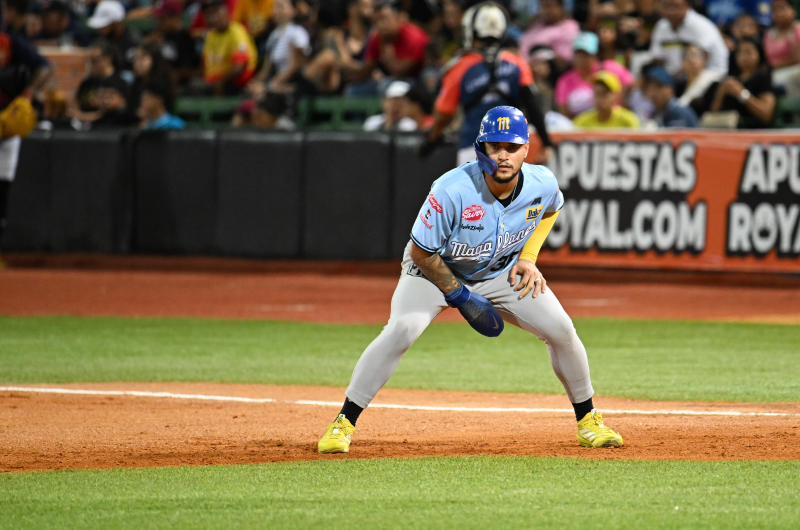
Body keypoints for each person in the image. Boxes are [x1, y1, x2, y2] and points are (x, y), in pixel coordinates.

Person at [317, 106, 624, 455]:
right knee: (402, 329)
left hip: (499, 272)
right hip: (434, 272)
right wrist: (459, 295)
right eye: (494, 146)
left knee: (562, 329)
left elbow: (551, 209)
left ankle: (588, 421)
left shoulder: (543, 182)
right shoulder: (452, 189)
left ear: (527, 148)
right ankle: (344, 421)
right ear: (481, 148)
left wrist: (528, 258)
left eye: (511, 147)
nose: (503, 155)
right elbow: (421, 253)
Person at [421, 2, 553, 166]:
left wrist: (430, 141)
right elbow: (532, 106)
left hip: (473, 146)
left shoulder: (459, 67)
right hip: (510, 149)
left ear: (470, 30)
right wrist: (546, 143)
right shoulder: (517, 64)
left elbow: (443, 115)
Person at [0, 29, 52, 267]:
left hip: (5, 128)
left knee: (1, 190)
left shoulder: (9, 43)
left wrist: (28, 94)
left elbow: (44, 66)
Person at [345, 0, 429, 83]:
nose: (381, 25)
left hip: (419, 80)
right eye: (377, 22)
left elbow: (398, 72)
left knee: (386, 84)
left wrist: (386, 47)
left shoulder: (414, 37)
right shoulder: (377, 37)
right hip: (390, 81)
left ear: (398, 18)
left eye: (384, 20)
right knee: (353, 90)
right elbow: (366, 70)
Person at [554, 32, 633, 119]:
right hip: (579, 127)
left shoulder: (610, 67)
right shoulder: (565, 80)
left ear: (595, 54)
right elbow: (563, 109)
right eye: (578, 53)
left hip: (612, 122)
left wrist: (618, 101)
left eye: (586, 54)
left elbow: (631, 83)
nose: (581, 58)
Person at [707, 37, 775, 129]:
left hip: (752, 130)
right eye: (740, 53)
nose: (743, 57)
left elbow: (766, 115)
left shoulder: (763, 78)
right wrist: (721, 92)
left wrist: (741, 93)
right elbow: (712, 114)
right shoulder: (730, 79)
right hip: (724, 129)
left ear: (759, 54)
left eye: (748, 52)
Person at [649, 0, 729, 77]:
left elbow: (698, 62)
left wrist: (674, 80)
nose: (671, 11)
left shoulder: (701, 26)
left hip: (709, 76)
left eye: (676, 6)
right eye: (667, 6)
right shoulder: (661, 26)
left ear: (687, 5)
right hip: (675, 78)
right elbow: (657, 58)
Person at [201, 0, 258, 95]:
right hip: (213, 83)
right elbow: (204, 66)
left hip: (236, 84)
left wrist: (220, 82)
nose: (212, 17)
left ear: (225, 11)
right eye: (208, 13)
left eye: (215, 11)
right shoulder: (211, 36)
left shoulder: (236, 31)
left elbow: (240, 66)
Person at [146, 0, 201, 89]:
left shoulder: (184, 38)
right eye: (158, 18)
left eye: (162, 18)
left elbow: (187, 69)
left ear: (174, 17)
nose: (159, 22)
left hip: (183, 86)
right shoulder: (159, 35)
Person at [517, 0, 579, 69]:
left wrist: (542, 57)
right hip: (521, 67)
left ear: (560, 7)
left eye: (549, 6)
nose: (544, 11)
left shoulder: (569, 27)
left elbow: (564, 62)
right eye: (542, 6)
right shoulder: (537, 25)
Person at [87, 0, 141, 73]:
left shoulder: (133, 40)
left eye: (104, 25)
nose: (100, 30)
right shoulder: (103, 39)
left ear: (116, 23)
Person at [573, 71, 640, 128]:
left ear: (616, 96)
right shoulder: (581, 122)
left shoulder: (628, 121)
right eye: (597, 93)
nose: (600, 97)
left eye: (604, 93)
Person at [764, 0, 800, 95]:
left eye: (783, 8)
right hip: (777, 75)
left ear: (792, 10)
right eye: (775, 10)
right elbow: (771, 63)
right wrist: (791, 59)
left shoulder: (797, 28)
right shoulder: (768, 35)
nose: (779, 13)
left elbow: (798, 59)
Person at [675, 44, 722, 109]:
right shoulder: (678, 85)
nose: (691, 59)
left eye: (696, 55)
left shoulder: (712, 82)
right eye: (687, 55)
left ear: (704, 60)